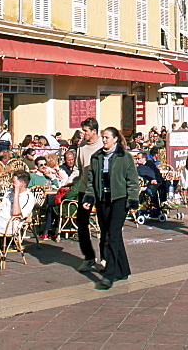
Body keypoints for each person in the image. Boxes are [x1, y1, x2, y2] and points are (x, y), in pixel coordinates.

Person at [80, 127, 139, 290]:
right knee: (109, 235)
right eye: (103, 137)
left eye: (107, 137)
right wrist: (89, 198)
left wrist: (133, 200)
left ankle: (109, 274)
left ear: (115, 139)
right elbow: (92, 182)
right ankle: (123, 269)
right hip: (103, 201)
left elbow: (132, 181)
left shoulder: (124, 157)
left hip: (119, 199)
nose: (104, 140)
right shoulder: (97, 157)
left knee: (112, 235)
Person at [74, 117, 104, 274]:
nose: (82, 133)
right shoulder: (82, 146)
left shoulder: (103, 145)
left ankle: (105, 257)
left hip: (101, 190)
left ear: (94, 131)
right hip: (85, 190)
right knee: (82, 223)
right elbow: (78, 169)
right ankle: (89, 256)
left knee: (104, 224)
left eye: (85, 130)